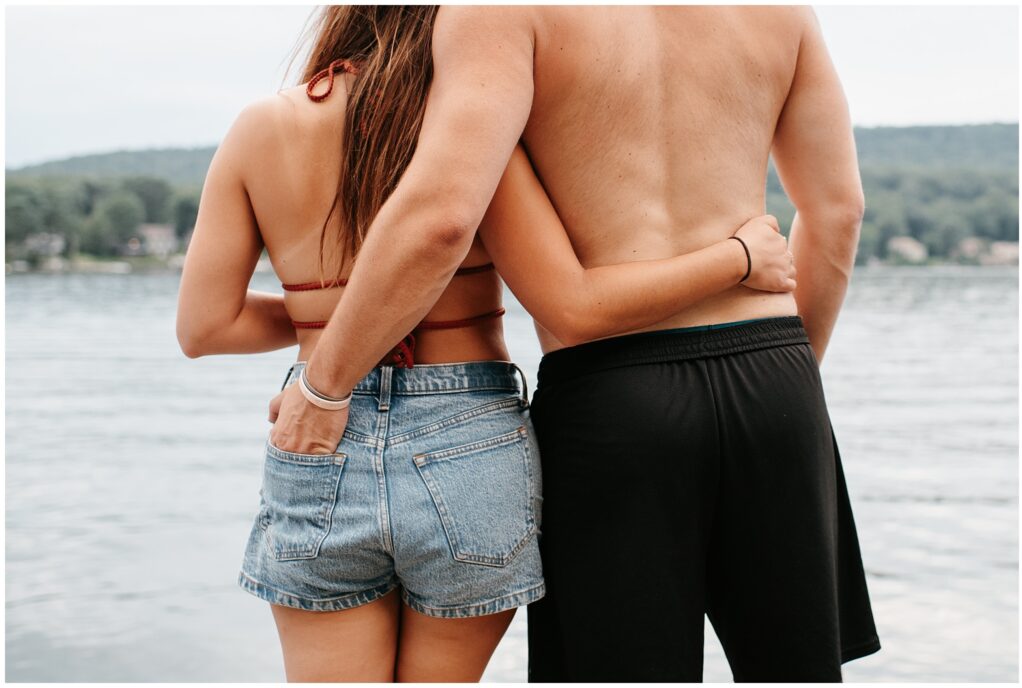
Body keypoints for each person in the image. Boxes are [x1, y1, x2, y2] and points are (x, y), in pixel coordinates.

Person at [176, 6, 797, 682]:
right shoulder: (477, 135)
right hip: (469, 436)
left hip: (319, 439)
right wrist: (737, 258)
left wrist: (319, 318)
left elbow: (206, 327)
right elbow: (561, 293)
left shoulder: (261, 127)